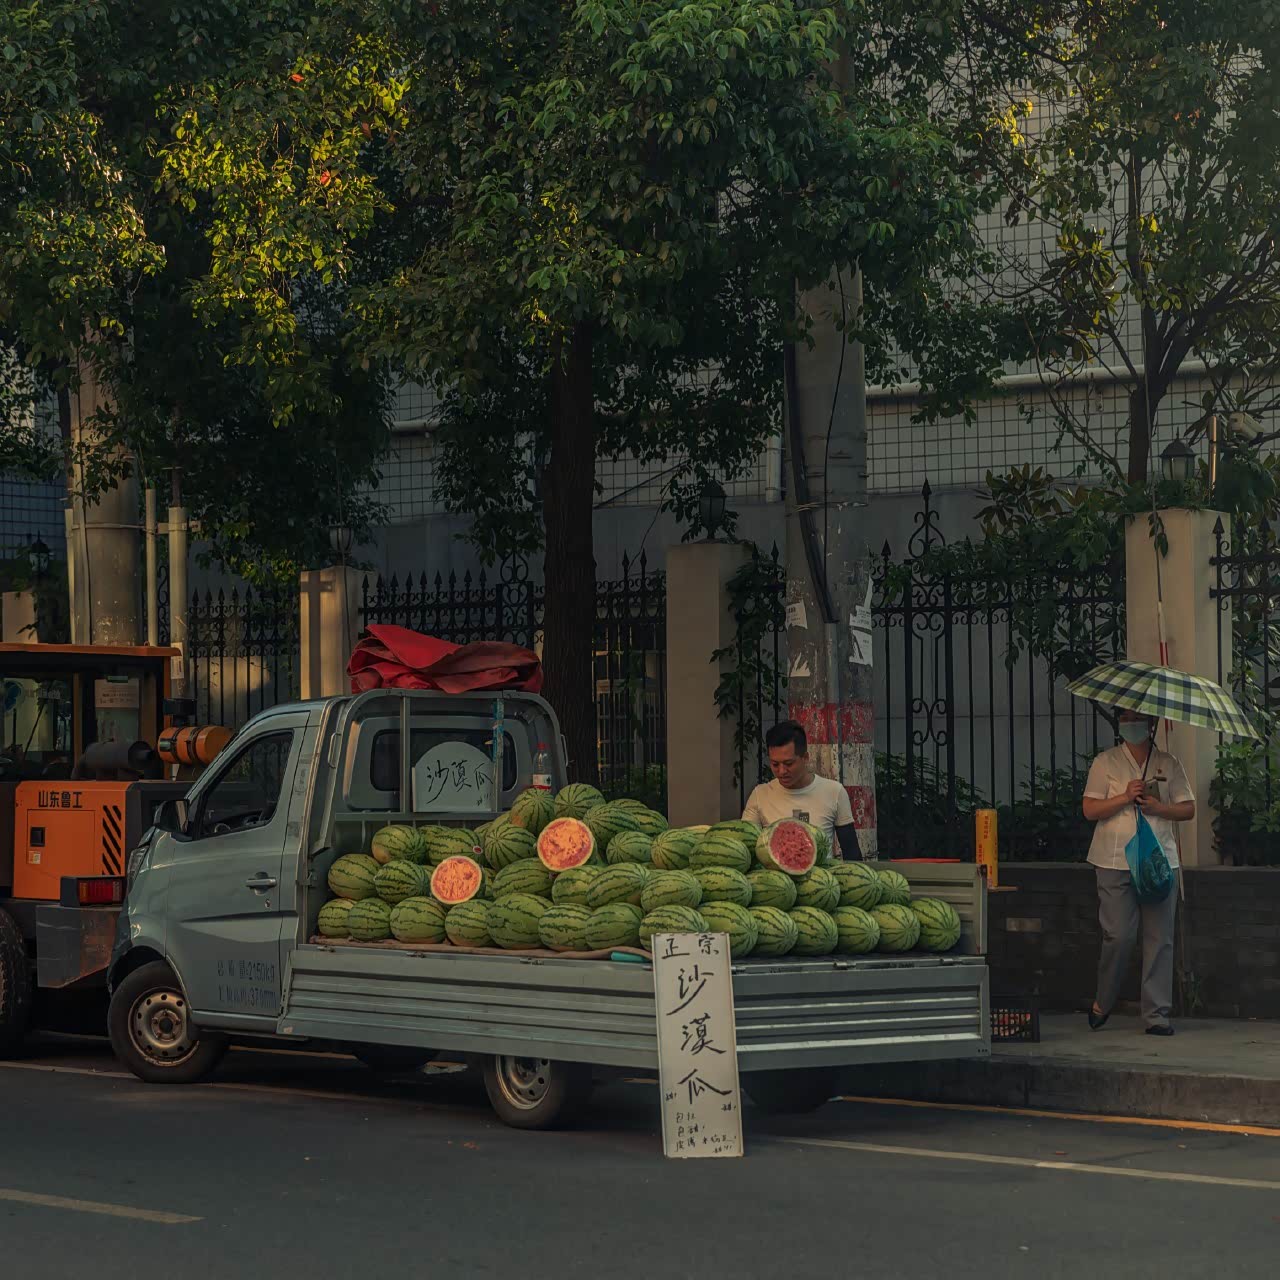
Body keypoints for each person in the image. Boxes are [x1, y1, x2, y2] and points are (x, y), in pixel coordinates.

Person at [1082, 709, 1195, 1036]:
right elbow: (1090, 809)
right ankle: (1103, 1001)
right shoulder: (1105, 763)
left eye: (1138, 718)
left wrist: (1158, 808)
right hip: (1114, 859)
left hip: (1158, 860)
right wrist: (1123, 797)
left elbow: (1187, 808)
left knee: (1160, 939)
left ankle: (1157, 1015)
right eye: (1126, 717)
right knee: (1119, 935)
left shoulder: (1168, 763)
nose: (1132, 724)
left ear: (1152, 724)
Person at [743, 720, 860, 860]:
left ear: (805, 758)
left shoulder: (834, 792)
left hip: (821, 878)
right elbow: (746, 848)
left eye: (788, 763)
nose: (781, 771)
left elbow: (852, 853)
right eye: (775, 764)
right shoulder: (759, 795)